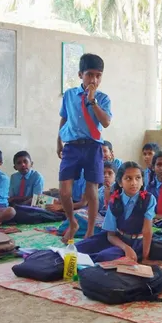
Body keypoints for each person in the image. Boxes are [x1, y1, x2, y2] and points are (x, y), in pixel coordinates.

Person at [56, 53, 112, 243]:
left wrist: (92, 100)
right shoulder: (70, 95)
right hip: (71, 146)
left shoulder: (103, 98)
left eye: (98, 75)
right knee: (64, 191)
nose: (94, 80)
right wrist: (58, 141)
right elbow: (64, 118)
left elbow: (105, 123)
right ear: (80, 74)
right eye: (90, 75)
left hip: (93, 147)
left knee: (92, 191)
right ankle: (72, 222)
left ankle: (89, 232)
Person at [76, 162, 156, 262]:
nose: (134, 183)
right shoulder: (115, 200)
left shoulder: (148, 199)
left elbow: (147, 232)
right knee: (80, 246)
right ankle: (62, 258)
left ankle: (84, 264)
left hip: (137, 242)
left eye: (138, 178)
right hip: (118, 239)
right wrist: (126, 248)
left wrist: (145, 258)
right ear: (120, 182)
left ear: (142, 181)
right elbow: (111, 235)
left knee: (104, 257)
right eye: (128, 178)